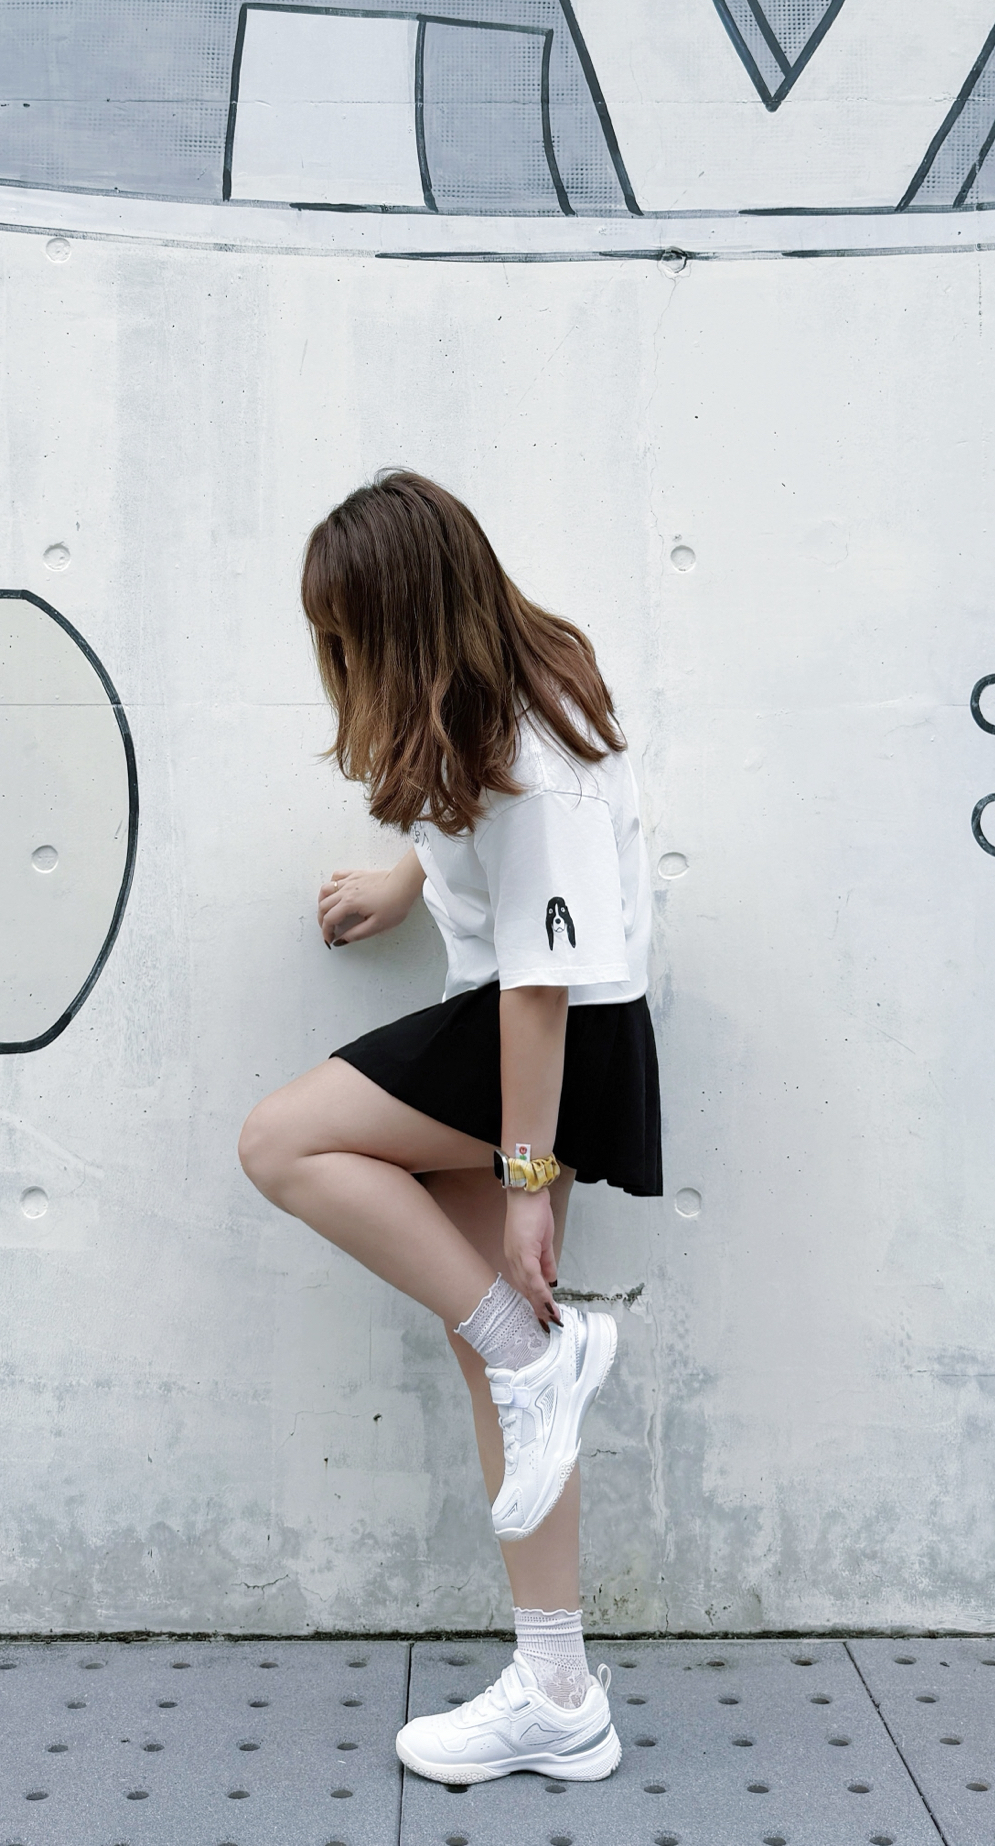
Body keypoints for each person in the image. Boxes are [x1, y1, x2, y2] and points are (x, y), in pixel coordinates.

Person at [238, 471, 661, 1785]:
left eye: (349, 633)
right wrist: (402, 879)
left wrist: (527, 1178)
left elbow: (541, 985)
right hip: (525, 1031)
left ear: (407, 618)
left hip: (546, 1040)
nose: (338, 657)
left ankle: (538, 1359)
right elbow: (482, 833)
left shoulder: (535, 752)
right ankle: (559, 1693)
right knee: (500, 1354)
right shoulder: (491, 691)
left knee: (282, 1143)